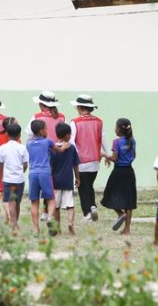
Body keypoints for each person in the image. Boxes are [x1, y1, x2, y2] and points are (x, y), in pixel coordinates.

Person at [26, 91, 66, 222]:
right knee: (50, 184)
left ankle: (44, 213)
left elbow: (29, 135)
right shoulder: (61, 117)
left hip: (41, 154)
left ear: (42, 104)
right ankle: (47, 210)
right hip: (57, 151)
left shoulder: (36, 116)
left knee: (42, 184)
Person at [27, 119, 70, 236]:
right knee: (51, 199)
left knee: (34, 202)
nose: (47, 130)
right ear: (41, 131)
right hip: (45, 173)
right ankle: (50, 217)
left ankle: (36, 229)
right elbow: (59, 150)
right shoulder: (47, 142)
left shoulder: (28, 144)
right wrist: (65, 146)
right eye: (46, 129)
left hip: (33, 173)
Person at [70, 94, 108, 222]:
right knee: (89, 185)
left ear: (80, 107)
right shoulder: (98, 121)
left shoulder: (75, 122)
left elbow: (72, 142)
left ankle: (87, 213)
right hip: (95, 161)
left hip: (81, 161)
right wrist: (107, 154)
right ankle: (92, 207)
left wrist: (74, 158)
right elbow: (103, 139)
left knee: (82, 187)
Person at [101, 118, 137, 235]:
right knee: (129, 200)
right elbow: (134, 155)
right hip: (129, 172)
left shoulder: (116, 142)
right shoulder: (132, 140)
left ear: (120, 129)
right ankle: (127, 229)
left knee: (109, 195)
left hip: (118, 172)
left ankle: (120, 213)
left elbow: (115, 158)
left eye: (116, 127)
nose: (114, 129)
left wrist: (104, 155)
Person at [0, 123, 29, 233]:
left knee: (11, 202)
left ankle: (14, 224)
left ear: (7, 134)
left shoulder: (3, 148)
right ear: (19, 136)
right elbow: (25, 164)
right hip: (19, 179)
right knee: (16, 202)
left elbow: (0, 164)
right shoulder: (22, 148)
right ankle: (15, 222)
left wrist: (1, 177)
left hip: (8, 179)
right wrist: (21, 172)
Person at [51, 123, 80, 235]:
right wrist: (78, 178)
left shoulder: (53, 148)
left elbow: (51, 165)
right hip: (68, 180)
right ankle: (70, 223)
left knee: (56, 206)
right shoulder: (71, 148)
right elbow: (75, 165)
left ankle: (57, 228)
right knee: (70, 205)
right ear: (67, 135)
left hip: (55, 181)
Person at [0, 116, 18, 224]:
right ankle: (10, 215)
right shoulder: (16, 139)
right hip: (13, 167)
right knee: (10, 193)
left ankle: (7, 217)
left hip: (2, 167)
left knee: (3, 193)